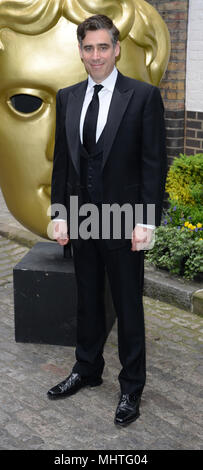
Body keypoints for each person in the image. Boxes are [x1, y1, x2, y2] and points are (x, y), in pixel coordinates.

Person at [48, 14, 167, 427]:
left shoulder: (143, 97)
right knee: (88, 300)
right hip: (82, 218)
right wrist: (60, 213)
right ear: (80, 51)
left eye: (103, 47)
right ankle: (87, 368)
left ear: (116, 49)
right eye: (88, 47)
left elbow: (154, 164)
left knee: (128, 306)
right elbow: (63, 163)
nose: (95, 55)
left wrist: (147, 221)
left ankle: (131, 387)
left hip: (124, 220)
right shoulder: (68, 96)